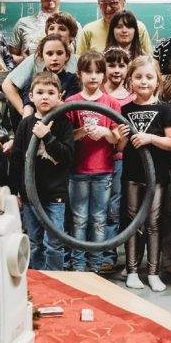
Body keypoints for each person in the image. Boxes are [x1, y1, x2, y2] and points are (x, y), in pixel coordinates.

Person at [116, 56, 171, 292]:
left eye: (149, 77)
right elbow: (120, 148)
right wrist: (121, 136)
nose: (144, 81)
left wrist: (150, 138)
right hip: (132, 175)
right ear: (130, 80)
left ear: (157, 80)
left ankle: (153, 272)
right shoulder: (124, 109)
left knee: (153, 224)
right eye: (138, 77)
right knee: (133, 223)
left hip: (157, 177)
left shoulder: (164, 109)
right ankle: (132, 271)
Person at [11, 71, 75, 271]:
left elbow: (66, 157)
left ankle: (55, 279)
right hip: (30, 195)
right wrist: (15, 191)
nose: (45, 96)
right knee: (34, 240)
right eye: (40, 92)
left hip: (55, 195)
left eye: (50, 92)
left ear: (60, 96)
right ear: (31, 97)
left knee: (54, 242)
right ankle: (38, 280)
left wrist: (47, 136)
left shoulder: (64, 123)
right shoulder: (25, 124)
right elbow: (17, 159)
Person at [66, 51, 121, 273]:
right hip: (78, 170)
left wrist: (104, 131)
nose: (93, 76)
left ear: (104, 75)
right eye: (88, 71)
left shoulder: (112, 103)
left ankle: (95, 264)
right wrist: (81, 132)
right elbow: (65, 137)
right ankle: (78, 264)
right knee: (79, 218)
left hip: (104, 170)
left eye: (98, 71)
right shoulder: (71, 102)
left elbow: (117, 139)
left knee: (99, 218)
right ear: (79, 74)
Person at [100, 47, 135, 274]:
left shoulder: (131, 98)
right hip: (97, 160)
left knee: (114, 209)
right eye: (111, 65)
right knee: (98, 209)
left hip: (122, 161)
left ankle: (108, 255)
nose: (116, 70)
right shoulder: (97, 93)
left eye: (121, 65)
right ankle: (92, 252)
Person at [2, 12, 80, 112]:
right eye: (51, 28)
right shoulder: (36, 59)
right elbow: (8, 85)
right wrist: (25, 112)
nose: (55, 32)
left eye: (62, 28)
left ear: (72, 36)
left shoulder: (79, 61)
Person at [9, 0, 80, 64]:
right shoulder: (22, 24)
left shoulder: (74, 26)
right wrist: (28, 61)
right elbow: (8, 58)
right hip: (32, 77)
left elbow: (81, 59)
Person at [75, 0, 152, 55]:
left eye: (113, 2)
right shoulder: (88, 30)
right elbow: (79, 62)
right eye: (103, 4)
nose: (108, 9)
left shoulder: (138, 27)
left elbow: (149, 61)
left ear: (124, 2)